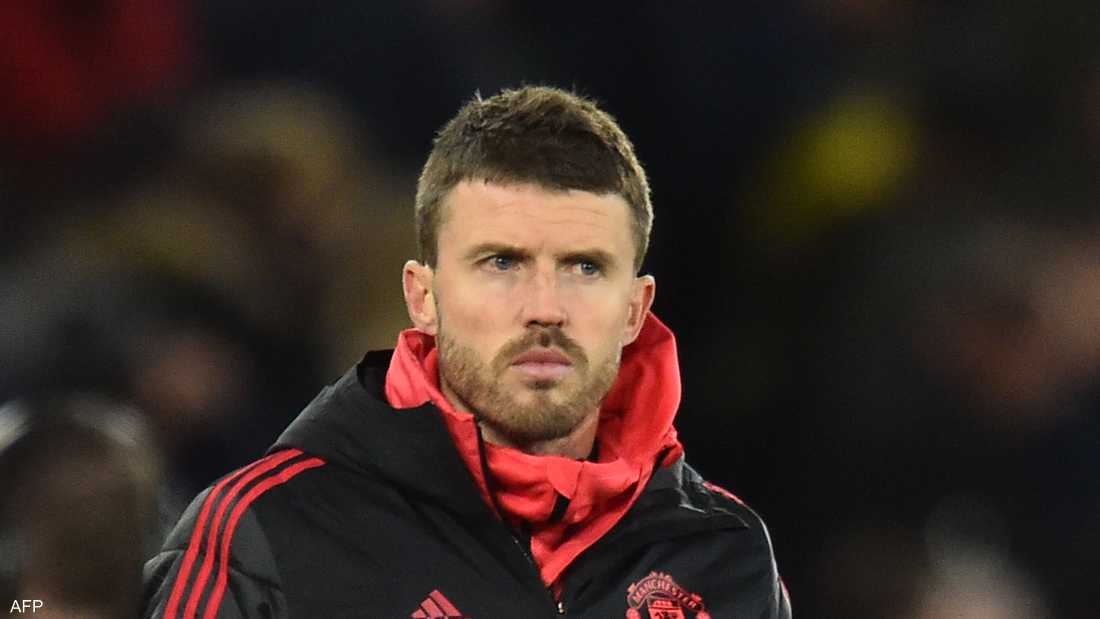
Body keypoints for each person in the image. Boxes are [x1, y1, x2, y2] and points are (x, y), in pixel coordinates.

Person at [143, 86, 790, 618]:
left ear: (635, 309)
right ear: (422, 296)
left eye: (585, 267)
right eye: (501, 262)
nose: (545, 306)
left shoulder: (723, 556)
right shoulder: (266, 536)